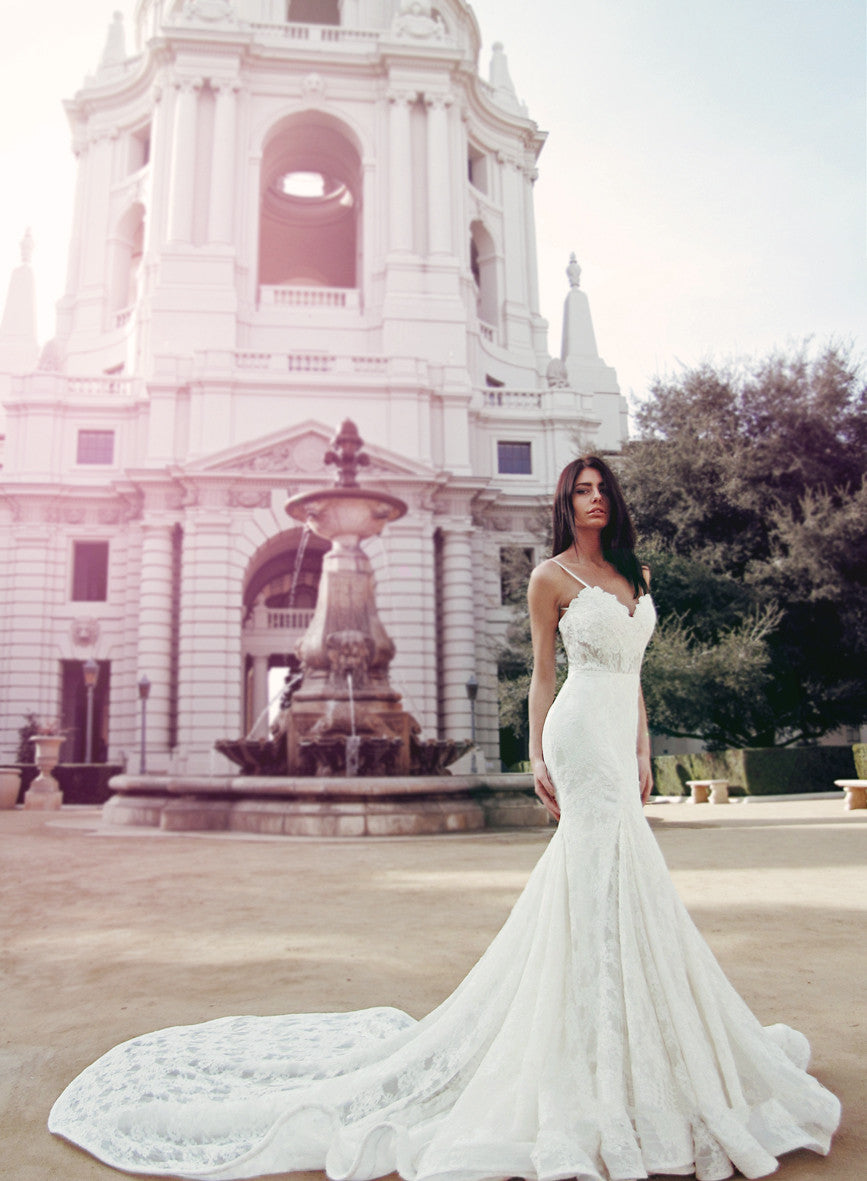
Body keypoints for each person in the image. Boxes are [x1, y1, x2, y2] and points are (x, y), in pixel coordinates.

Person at [50, 457, 840, 1181]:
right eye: (577, 492)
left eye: (599, 489)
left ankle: (634, 1032)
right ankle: (588, 1042)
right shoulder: (550, 575)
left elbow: (631, 677)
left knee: (625, 869)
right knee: (592, 865)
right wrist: (535, 755)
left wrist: (640, 749)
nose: (591, 500)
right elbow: (540, 675)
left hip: (614, 731)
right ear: (564, 505)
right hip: (573, 734)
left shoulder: (633, 572)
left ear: (614, 500)